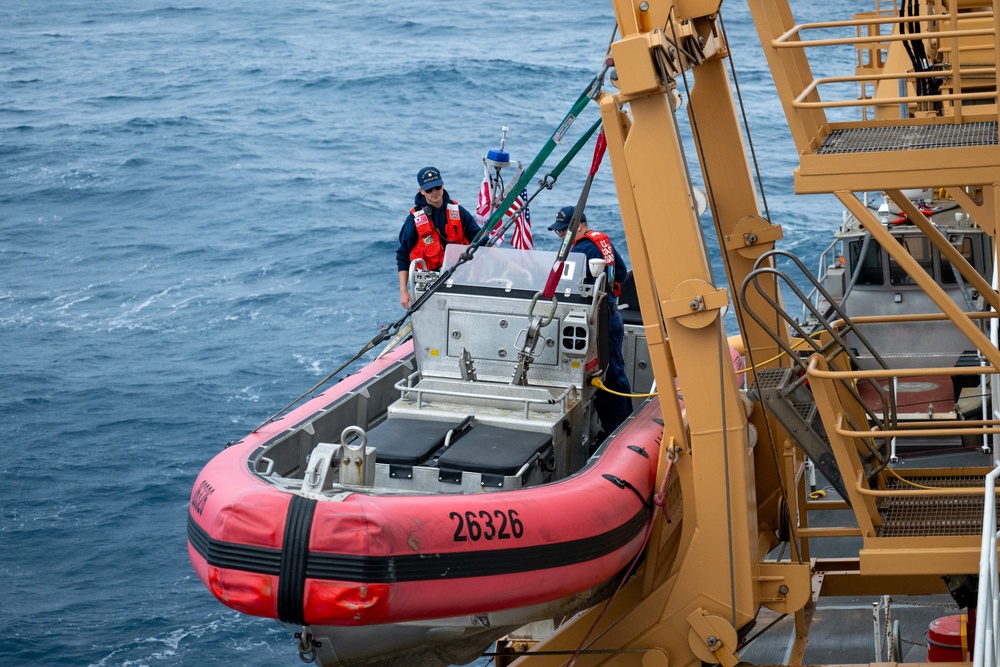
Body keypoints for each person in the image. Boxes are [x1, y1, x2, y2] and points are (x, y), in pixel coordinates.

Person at [549, 205, 633, 435]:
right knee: (616, 373)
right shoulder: (601, 241)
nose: (560, 236)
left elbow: (565, 284)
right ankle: (624, 425)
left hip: (598, 322)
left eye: (564, 230)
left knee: (603, 379)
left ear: (580, 226)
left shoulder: (582, 250)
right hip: (612, 315)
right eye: (558, 231)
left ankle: (615, 432)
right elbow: (622, 273)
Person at [396, 166, 481, 309]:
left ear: (443, 185)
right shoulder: (413, 220)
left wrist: (506, 261)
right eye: (429, 189)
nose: (434, 192)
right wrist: (403, 290)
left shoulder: (458, 212)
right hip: (429, 284)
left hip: (461, 277)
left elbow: (480, 239)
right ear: (421, 191)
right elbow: (403, 255)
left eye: (437, 187)